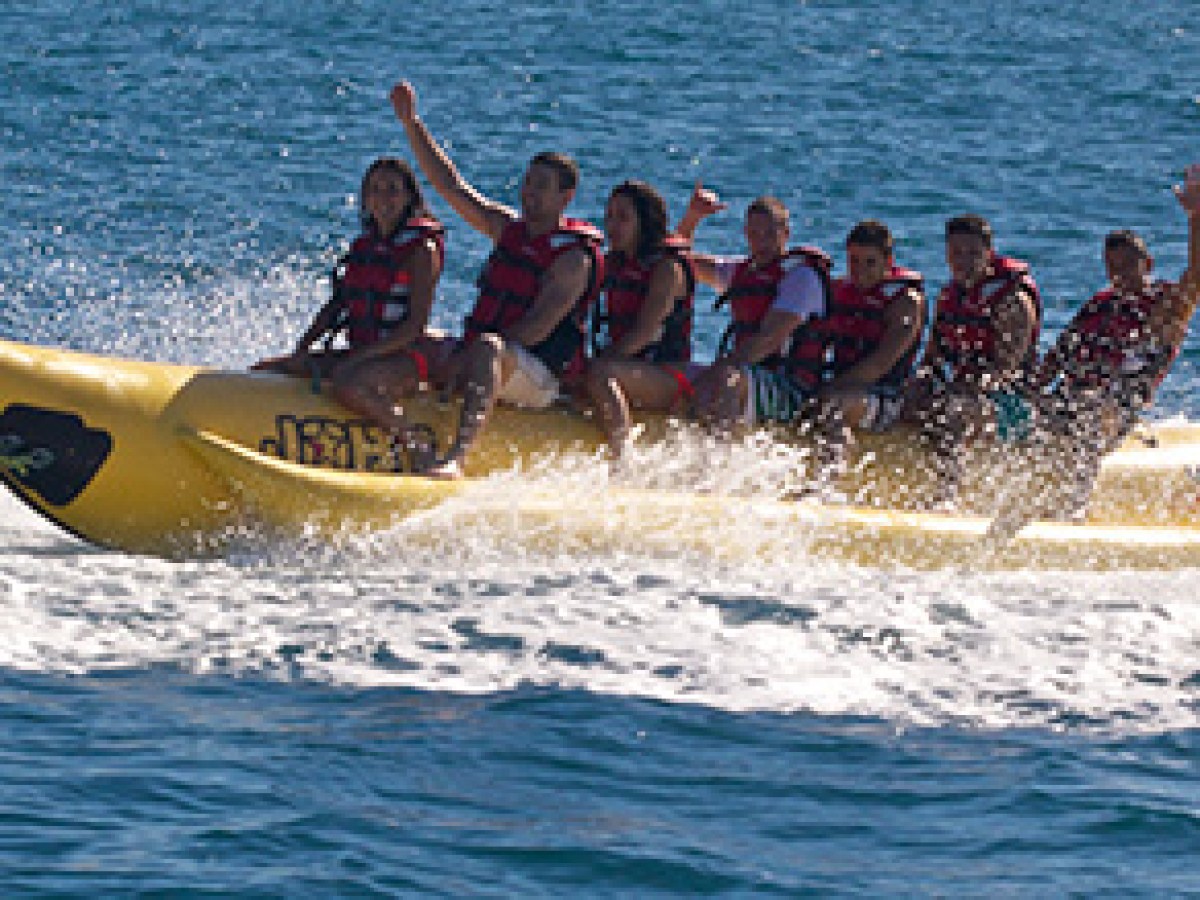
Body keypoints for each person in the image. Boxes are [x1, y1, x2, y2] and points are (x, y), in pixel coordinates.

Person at [390, 80, 603, 479]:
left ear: (565, 197)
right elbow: (452, 186)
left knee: (488, 345)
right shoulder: (508, 229)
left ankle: (457, 457)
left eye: (541, 186)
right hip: (495, 359)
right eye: (527, 183)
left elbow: (536, 330)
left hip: (540, 377)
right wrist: (411, 122)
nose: (529, 194)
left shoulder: (573, 258)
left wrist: (467, 359)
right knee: (419, 338)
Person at [986, 165, 1200, 537]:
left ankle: (1072, 509)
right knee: (1013, 411)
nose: (1118, 276)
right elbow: (1057, 356)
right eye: (1111, 267)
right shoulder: (1099, 305)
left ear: (1147, 265)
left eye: (1127, 267)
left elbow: (1197, 276)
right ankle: (1004, 503)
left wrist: (1196, 218)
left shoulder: (1164, 307)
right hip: (1070, 399)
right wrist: (1026, 392)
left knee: (1088, 414)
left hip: (1117, 406)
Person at [253, 158, 444, 388]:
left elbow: (415, 326)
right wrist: (301, 350)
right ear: (365, 198)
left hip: (403, 360)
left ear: (408, 198)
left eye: (392, 189)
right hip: (364, 356)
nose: (383, 198)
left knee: (347, 380)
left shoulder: (422, 251)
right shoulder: (364, 248)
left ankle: (402, 425)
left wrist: (361, 358)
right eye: (375, 190)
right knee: (268, 370)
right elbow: (336, 306)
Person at [674, 183, 832, 432]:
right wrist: (693, 218)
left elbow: (769, 340)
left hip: (794, 393)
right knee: (673, 373)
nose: (762, 242)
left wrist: (715, 372)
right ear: (746, 235)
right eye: (755, 234)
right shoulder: (740, 272)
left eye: (770, 234)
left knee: (727, 378)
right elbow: (678, 264)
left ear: (786, 234)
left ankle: (718, 460)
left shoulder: (801, 278)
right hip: (748, 377)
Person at [909, 214, 1043, 503]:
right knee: (908, 402)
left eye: (972, 253)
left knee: (953, 411)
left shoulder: (1013, 300)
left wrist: (961, 391)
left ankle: (947, 496)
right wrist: (917, 386)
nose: (963, 261)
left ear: (988, 252)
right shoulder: (949, 296)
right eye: (956, 253)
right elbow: (931, 359)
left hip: (1015, 405)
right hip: (966, 393)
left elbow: (1006, 369)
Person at [794, 220, 926, 479]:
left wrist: (831, 389)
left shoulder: (905, 302)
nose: (860, 270)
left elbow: (881, 363)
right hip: (842, 387)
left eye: (870, 262)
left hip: (888, 397)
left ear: (888, 262)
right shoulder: (840, 291)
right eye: (853, 261)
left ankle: (827, 485)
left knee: (835, 405)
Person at [584, 180, 696, 458]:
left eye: (623, 218)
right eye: (609, 216)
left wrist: (597, 365)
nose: (612, 226)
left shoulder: (667, 269)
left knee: (599, 374)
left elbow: (645, 332)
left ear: (645, 223)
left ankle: (623, 458)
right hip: (626, 368)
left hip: (667, 377)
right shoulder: (612, 264)